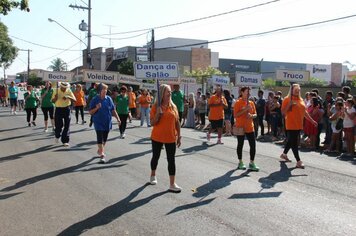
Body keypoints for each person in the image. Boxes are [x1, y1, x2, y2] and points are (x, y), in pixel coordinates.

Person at [149, 84, 182, 193]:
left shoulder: (173, 107)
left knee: (171, 160)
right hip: (157, 137)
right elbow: (152, 123)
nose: (170, 93)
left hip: (171, 137)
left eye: (170, 92)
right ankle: (153, 174)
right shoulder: (155, 107)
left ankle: (172, 184)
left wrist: (179, 136)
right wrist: (158, 114)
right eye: (167, 91)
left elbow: (177, 122)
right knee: (156, 157)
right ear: (162, 94)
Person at [280, 83, 317, 168]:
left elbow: (305, 112)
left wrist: (312, 121)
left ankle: (284, 154)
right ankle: (298, 161)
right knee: (294, 142)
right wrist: (289, 105)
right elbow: (283, 113)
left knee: (291, 140)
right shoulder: (287, 99)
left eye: (298, 90)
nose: (297, 91)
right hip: (290, 124)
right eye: (295, 90)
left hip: (299, 124)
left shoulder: (301, 100)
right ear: (291, 90)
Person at [89, 83, 121, 163]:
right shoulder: (95, 99)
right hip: (98, 122)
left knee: (104, 139)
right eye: (104, 89)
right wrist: (96, 108)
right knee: (100, 137)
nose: (105, 91)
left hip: (107, 122)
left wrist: (118, 118)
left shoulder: (109, 99)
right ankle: (102, 155)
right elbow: (90, 112)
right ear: (100, 90)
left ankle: (100, 149)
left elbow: (113, 110)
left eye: (106, 89)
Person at [234, 87, 259, 171]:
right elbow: (236, 115)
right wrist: (245, 109)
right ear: (242, 92)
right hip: (240, 126)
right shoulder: (238, 102)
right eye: (247, 92)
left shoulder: (251, 103)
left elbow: (255, 114)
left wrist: (252, 115)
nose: (248, 93)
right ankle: (240, 162)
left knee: (253, 145)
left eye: (249, 92)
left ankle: (252, 162)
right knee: (240, 144)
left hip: (250, 126)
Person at [51, 82, 76, 147]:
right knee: (59, 125)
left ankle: (65, 141)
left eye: (66, 88)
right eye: (63, 88)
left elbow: (74, 100)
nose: (65, 89)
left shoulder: (69, 90)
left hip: (67, 109)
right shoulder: (56, 90)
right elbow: (52, 101)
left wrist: (68, 96)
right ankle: (57, 135)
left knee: (67, 125)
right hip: (58, 109)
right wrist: (55, 98)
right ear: (61, 87)